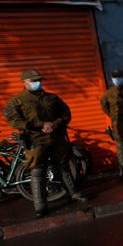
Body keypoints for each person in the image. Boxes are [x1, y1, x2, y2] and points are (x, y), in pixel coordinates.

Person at [3, 69, 84, 217]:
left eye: (39, 80)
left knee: (63, 166)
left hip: (57, 138)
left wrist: (55, 124)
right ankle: (40, 207)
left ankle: (74, 194)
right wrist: (40, 125)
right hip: (36, 140)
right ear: (24, 83)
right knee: (37, 171)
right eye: (34, 81)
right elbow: (13, 120)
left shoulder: (52, 98)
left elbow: (66, 113)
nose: (38, 83)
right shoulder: (17, 101)